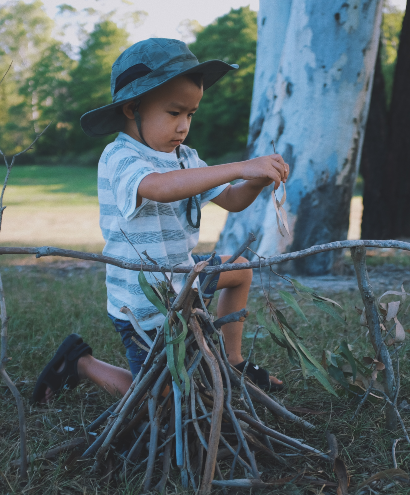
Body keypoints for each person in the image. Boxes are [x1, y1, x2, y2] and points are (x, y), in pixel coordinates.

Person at [30, 38, 288, 404]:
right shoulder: (120, 156)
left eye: (191, 115)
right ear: (133, 108)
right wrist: (238, 166)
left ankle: (232, 362)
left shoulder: (186, 157)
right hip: (143, 303)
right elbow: (159, 188)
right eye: (174, 113)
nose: (184, 126)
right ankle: (81, 363)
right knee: (161, 401)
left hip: (183, 278)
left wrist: (256, 181)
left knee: (240, 269)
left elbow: (231, 200)